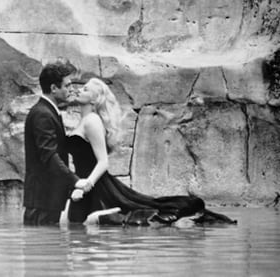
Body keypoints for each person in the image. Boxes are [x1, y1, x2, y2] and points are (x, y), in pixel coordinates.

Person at [66, 78, 236, 226]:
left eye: (85, 89)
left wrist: (86, 186)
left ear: (95, 100)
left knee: (129, 214)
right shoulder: (84, 121)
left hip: (94, 184)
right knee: (81, 224)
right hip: (86, 182)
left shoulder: (91, 121)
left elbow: (103, 161)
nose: (78, 89)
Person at [23, 61, 90, 225]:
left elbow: (58, 147)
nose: (71, 89)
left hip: (47, 198)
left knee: (48, 245)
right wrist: (75, 180)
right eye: (67, 86)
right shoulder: (43, 114)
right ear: (54, 88)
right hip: (42, 199)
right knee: (42, 245)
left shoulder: (48, 111)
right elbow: (49, 155)